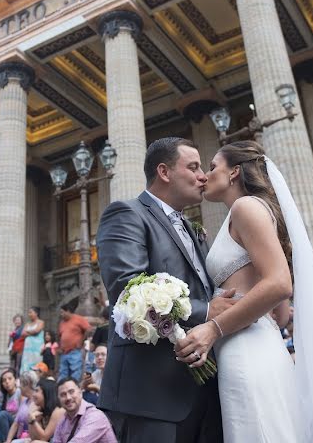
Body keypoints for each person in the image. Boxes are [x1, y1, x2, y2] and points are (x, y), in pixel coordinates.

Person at [173, 140, 313, 441]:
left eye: (213, 166)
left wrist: (214, 328)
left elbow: (281, 284)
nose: (205, 174)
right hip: (259, 343)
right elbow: (280, 315)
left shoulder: (246, 207)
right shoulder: (245, 212)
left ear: (234, 173)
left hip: (244, 348)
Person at [95, 137, 225, 442]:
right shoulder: (126, 214)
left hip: (205, 389)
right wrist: (208, 310)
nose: (202, 176)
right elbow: (128, 290)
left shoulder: (194, 230)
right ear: (164, 172)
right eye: (193, 167)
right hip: (150, 395)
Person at [48, 378, 117, 443]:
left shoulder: (95, 416)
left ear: (80, 392)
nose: (68, 398)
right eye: (63, 395)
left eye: (71, 392)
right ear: (58, 399)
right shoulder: (62, 422)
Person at [56, 303, 92, 382]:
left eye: (62, 312)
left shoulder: (78, 319)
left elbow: (89, 329)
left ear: (68, 311)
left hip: (75, 351)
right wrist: (59, 347)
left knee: (75, 372)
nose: (61, 314)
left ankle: (74, 388)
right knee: (63, 373)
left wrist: (81, 341)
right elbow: (59, 335)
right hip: (64, 352)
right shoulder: (62, 323)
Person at [0, 369, 21, 443]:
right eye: (4, 380)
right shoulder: (6, 394)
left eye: (10, 379)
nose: (7, 382)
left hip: (17, 424)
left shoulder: (19, 392)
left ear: (15, 380)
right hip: (7, 423)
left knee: (2, 414)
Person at [5, 370, 38, 443]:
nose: (19, 386)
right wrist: (8, 440)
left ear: (28, 384)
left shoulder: (37, 402)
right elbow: (16, 423)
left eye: (22, 384)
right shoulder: (24, 401)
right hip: (20, 436)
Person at [21, 307, 45, 374]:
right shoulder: (27, 324)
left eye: (31, 312)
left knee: (36, 364)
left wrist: (27, 332)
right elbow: (22, 334)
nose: (29, 314)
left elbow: (37, 331)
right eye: (29, 313)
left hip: (37, 348)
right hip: (27, 349)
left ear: (36, 313)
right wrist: (32, 332)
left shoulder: (41, 322)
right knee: (26, 364)